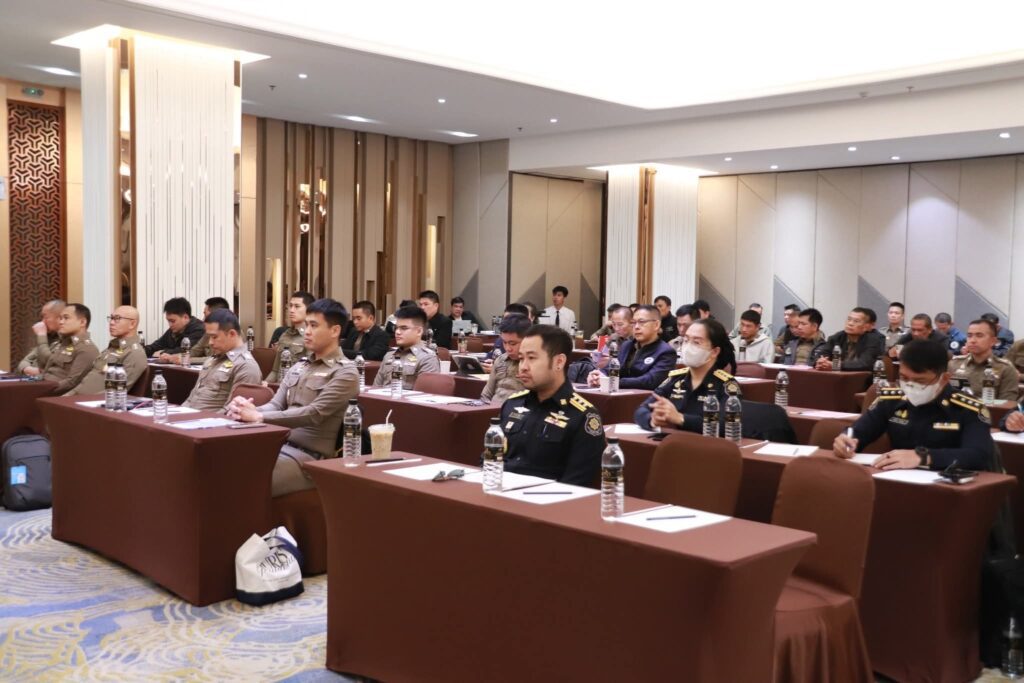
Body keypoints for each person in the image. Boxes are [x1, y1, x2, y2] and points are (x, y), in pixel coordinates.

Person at [227, 299, 359, 497]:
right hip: (279, 445)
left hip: (310, 458)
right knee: (225, 463)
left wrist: (259, 417)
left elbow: (314, 414)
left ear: (335, 331)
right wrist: (247, 410)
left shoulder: (345, 372)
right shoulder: (299, 366)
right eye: (307, 325)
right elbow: (275, 405)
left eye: (314, 326)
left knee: (245, 478)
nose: (307, 331)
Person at [834, 340, 994, 471]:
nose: (910, 385)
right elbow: (860, 431)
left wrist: (924, 457)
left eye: (920, 381)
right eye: (904, 378)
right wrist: (846, 440)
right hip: (898, 480)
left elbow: (977, 455)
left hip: (949, 483)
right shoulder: (891, 399)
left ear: (944, 379)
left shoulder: (968, 408)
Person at [499, 325, 604, 485]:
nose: (523, 367)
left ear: (559, 362)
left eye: (531, 358)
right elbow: (488, 459)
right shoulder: (512, 404)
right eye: (521, 358)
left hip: (547, 497)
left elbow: (577, 483)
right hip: (499, 492)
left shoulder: (582, 416)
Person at [634, 318, 739, 433]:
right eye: (686, 340)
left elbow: (728, 424)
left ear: (714, 352)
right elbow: (641, 410)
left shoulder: (727, 384)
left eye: (696, 342)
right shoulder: (675, 379)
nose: (688, 346)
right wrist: (652, 419)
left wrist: (681, 418)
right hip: (672, 441)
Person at [181, 310, 263, 411]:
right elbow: (191, 399)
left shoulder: (246, 366)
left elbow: (233, 411)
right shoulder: (211, 360)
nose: (210, 342)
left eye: (214, 337)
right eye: (209, 337)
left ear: (232, 334)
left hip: (210, 420)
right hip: (188, 415)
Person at [587, 305, 676, 390]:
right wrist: (598, 375)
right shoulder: (627, 345)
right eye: (634, 322)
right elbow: (611, 369)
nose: (636, 327)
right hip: (619, 394)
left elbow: (650, 381)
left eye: (641, 322)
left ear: (656, 325)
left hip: (645, 398)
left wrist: (612, 382)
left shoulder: (666, 352)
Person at [67, 306, 147, 395]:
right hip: (75, 397)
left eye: (117, 318)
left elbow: (116, 391)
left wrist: (77, 400)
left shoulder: (135, 353)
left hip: (91, 401)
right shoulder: (112, 347)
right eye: (111, 318)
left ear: (132, 324)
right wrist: (66, 397)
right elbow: (87, 381)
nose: (111, 323)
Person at [947, 319, 1020, 400]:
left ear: (993, 341)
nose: (972, 340)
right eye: (969, 336)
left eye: (979, 336)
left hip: (990, 408)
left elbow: (1007, 404)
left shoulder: (1005, 369)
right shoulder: (954, 364)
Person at [373, 305, 441, 390]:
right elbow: (375, 389)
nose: (397, 332)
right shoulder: (389, 355)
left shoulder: (427, 358)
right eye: (396, 328)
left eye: (404, 328)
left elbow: (424, 395)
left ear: (419, 331)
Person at [39, 303, 99, 394]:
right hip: (42, 386)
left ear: (82, 322)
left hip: (55, 394)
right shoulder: (61, 343)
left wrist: (41, 390)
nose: (61, 322)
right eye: (60, 318)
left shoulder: (87, 349)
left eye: (66, 318)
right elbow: (46, 372)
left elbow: (72, 383)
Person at [813, 307, 886, 371]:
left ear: (869, 326)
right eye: (849, 319)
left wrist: (835, 365)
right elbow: (819, 356)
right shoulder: (837, 337)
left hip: (864, 380)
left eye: (856, 321)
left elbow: (864, 363)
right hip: (838, 377)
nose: (850, 323)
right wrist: (820, 361)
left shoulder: (875, 339)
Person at [480, 314, 530, 403]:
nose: (508, 348)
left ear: (527, 340)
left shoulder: (532, 365)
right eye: (504, 342)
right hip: (493, 408)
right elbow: (486, 395)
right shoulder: (500, 360)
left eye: (513, 344)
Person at [266, 291, 314, 382]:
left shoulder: (310, 337)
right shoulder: (284, 335)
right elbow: (275, 371)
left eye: (297, 306)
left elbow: (309, 373)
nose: (291, 310)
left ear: (309, 310)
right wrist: (265, 384)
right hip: (279, 385)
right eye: (290, 306)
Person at [16, 299, 65, 374]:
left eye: (46, 317)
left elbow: (50, 362)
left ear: (60, 318)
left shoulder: (69, 339)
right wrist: (28, 369)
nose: (43, 322)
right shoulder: (51, 337)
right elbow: (24, 362)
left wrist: (41, 335)